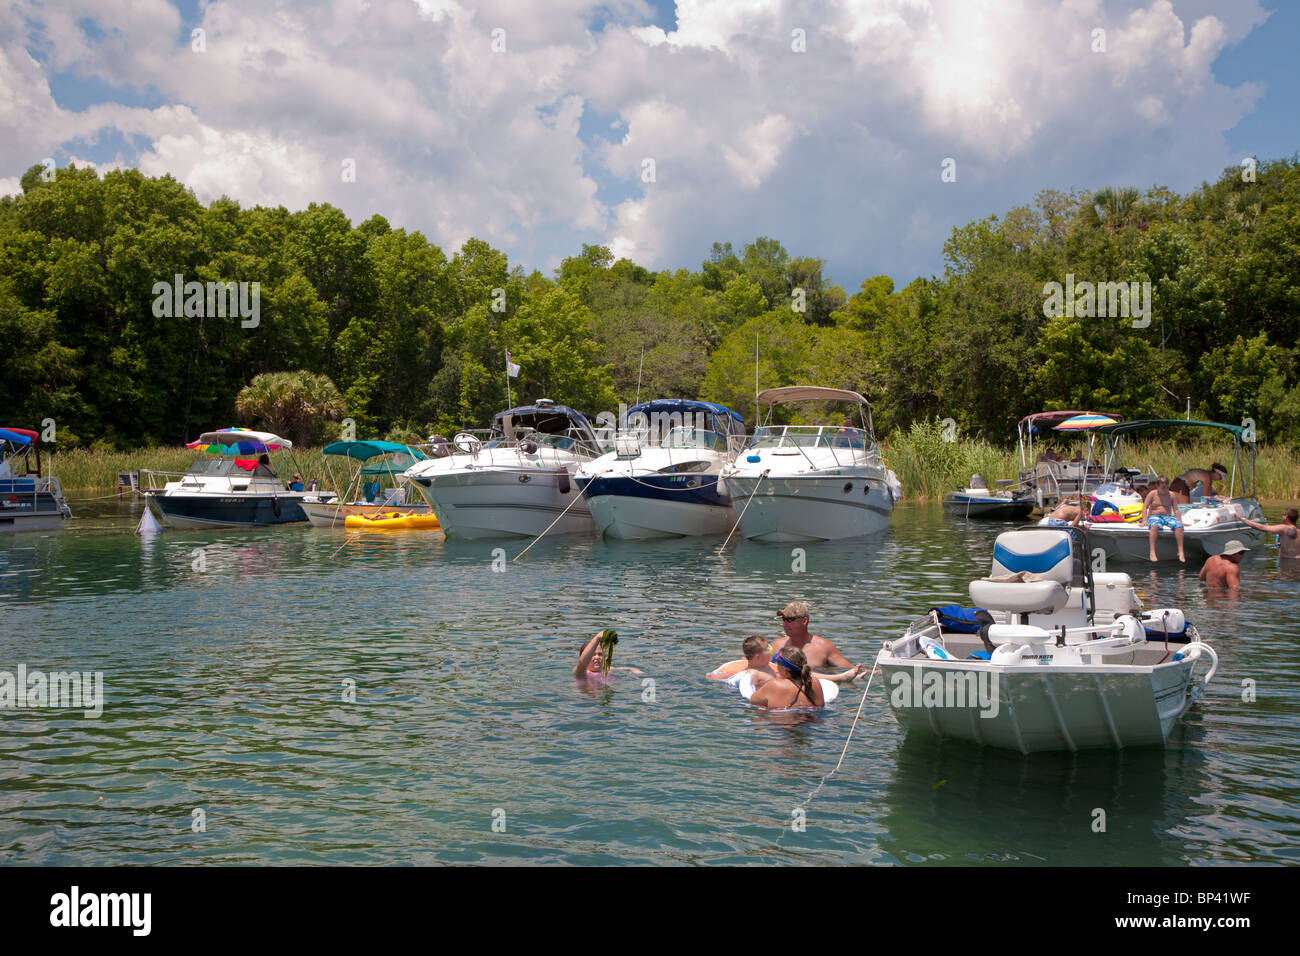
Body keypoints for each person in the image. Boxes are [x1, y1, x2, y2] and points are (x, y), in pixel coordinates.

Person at [770, 602, 866, 682]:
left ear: (804, 621)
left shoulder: (824, 647)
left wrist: (875, 672)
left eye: (790, 620)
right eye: (784, 619)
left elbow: (849, 669)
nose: (785, 624)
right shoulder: (776, 645)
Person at [749, 646, 825, 710]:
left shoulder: (774, 685)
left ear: (786, 670)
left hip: (783, 725)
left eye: (778, 663)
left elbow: (753, 701)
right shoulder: (815, 682)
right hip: (811, 723)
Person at [1140, 477, 1186, 562]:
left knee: (1179, 527)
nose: (1165, 490)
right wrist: (1145, 520)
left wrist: (1180, 521)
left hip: (1167, 516)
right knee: (1154, 526)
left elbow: (1176, 509)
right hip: (1154, 516)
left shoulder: (1171, 495)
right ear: (1157, 486)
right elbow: (1145, 507)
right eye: (1163, 487)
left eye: (1167, 487)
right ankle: (1152, 551)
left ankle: (1181, 551)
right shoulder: (1152, 494)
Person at [707, 635, 778, 686]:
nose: (771, 652)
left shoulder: (768, 668)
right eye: (768, 650)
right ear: (758, 657)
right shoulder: (749, 675)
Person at [573, 630, 644, 680]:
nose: (597, 657)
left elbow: (627, 668)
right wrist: (597, 638)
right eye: (593, 655)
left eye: (600, 654)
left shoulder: (607, 669)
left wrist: (634, 670)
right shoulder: (581, 672)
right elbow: (582, 663)